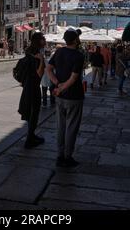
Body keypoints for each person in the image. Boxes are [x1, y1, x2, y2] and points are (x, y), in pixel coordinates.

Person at [47, 30, 85, 168]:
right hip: (74, 96)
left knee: (61, 126)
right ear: (75, 40)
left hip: (60, 97)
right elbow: (74, 78)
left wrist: (57, 84)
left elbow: (49, 69)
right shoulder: (79, 56)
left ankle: (59, 155)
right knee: (71, 127)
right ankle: (68, 157)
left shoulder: (59, 52)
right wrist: (61, 87)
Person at [18, 32, 46, 149]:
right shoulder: (36, 55)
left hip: (28, 87)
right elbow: (39, 74)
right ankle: (29, 140)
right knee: (34, 113)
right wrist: (42, 61)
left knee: (31, 113)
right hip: (33, 88)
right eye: (43, 39)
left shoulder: (29, 52)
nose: (45, 40)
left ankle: (32, 135)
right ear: (38, 41)